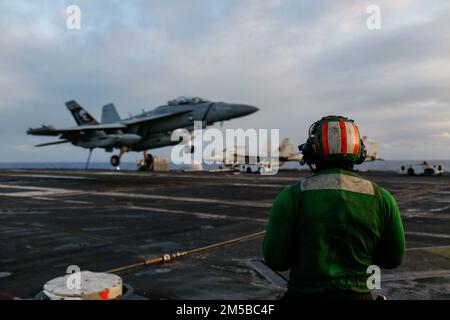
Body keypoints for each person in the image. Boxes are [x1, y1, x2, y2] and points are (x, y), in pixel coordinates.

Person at [263, 115, 405, 300]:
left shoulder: (291, 196)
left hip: (304, 294)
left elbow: (276, 260)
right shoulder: (382, 198)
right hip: (359, 295)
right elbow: (393, 259)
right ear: (360, 152)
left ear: (311, 151)